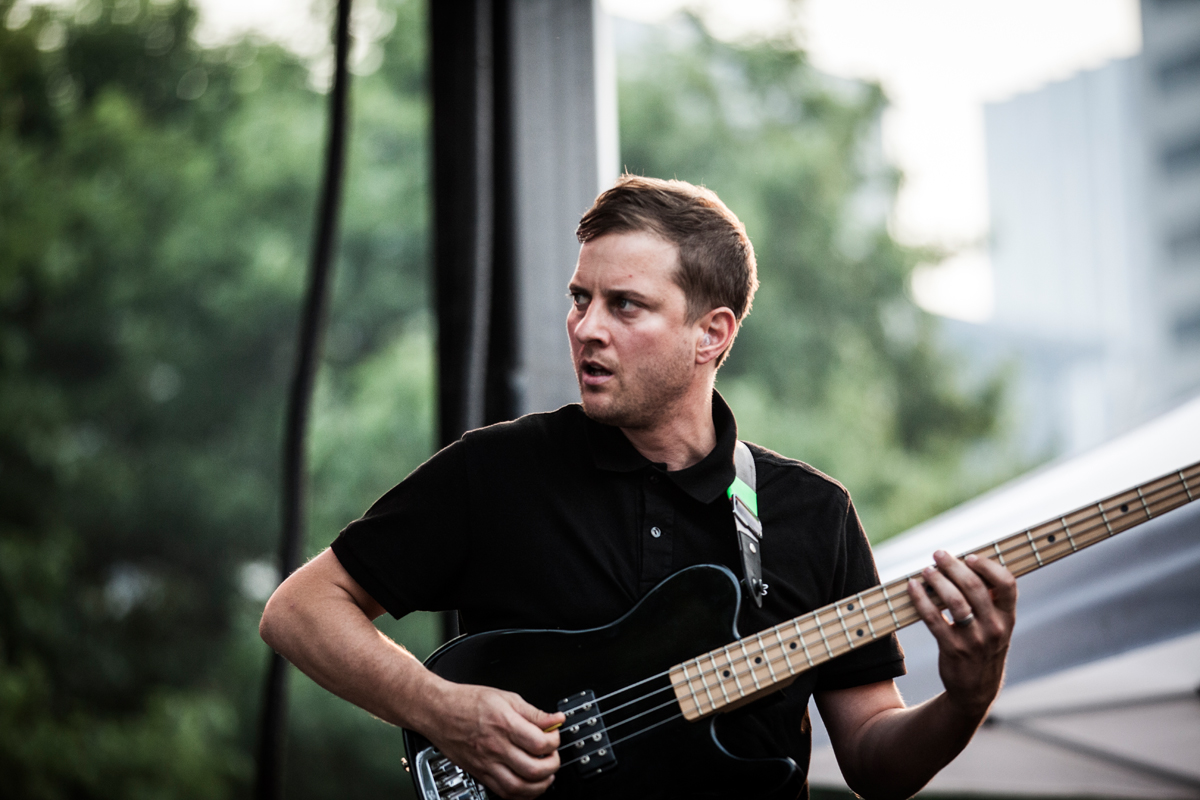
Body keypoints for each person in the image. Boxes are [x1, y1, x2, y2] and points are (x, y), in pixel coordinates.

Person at [259, 175, 1016, 800]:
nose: (586, 328)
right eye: (579, 299)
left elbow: (876, 762)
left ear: (711, 334)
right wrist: (442, 709)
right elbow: (299, 609)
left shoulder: (813, 514)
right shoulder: (497, 470)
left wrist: (967, 696)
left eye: (624, 305)